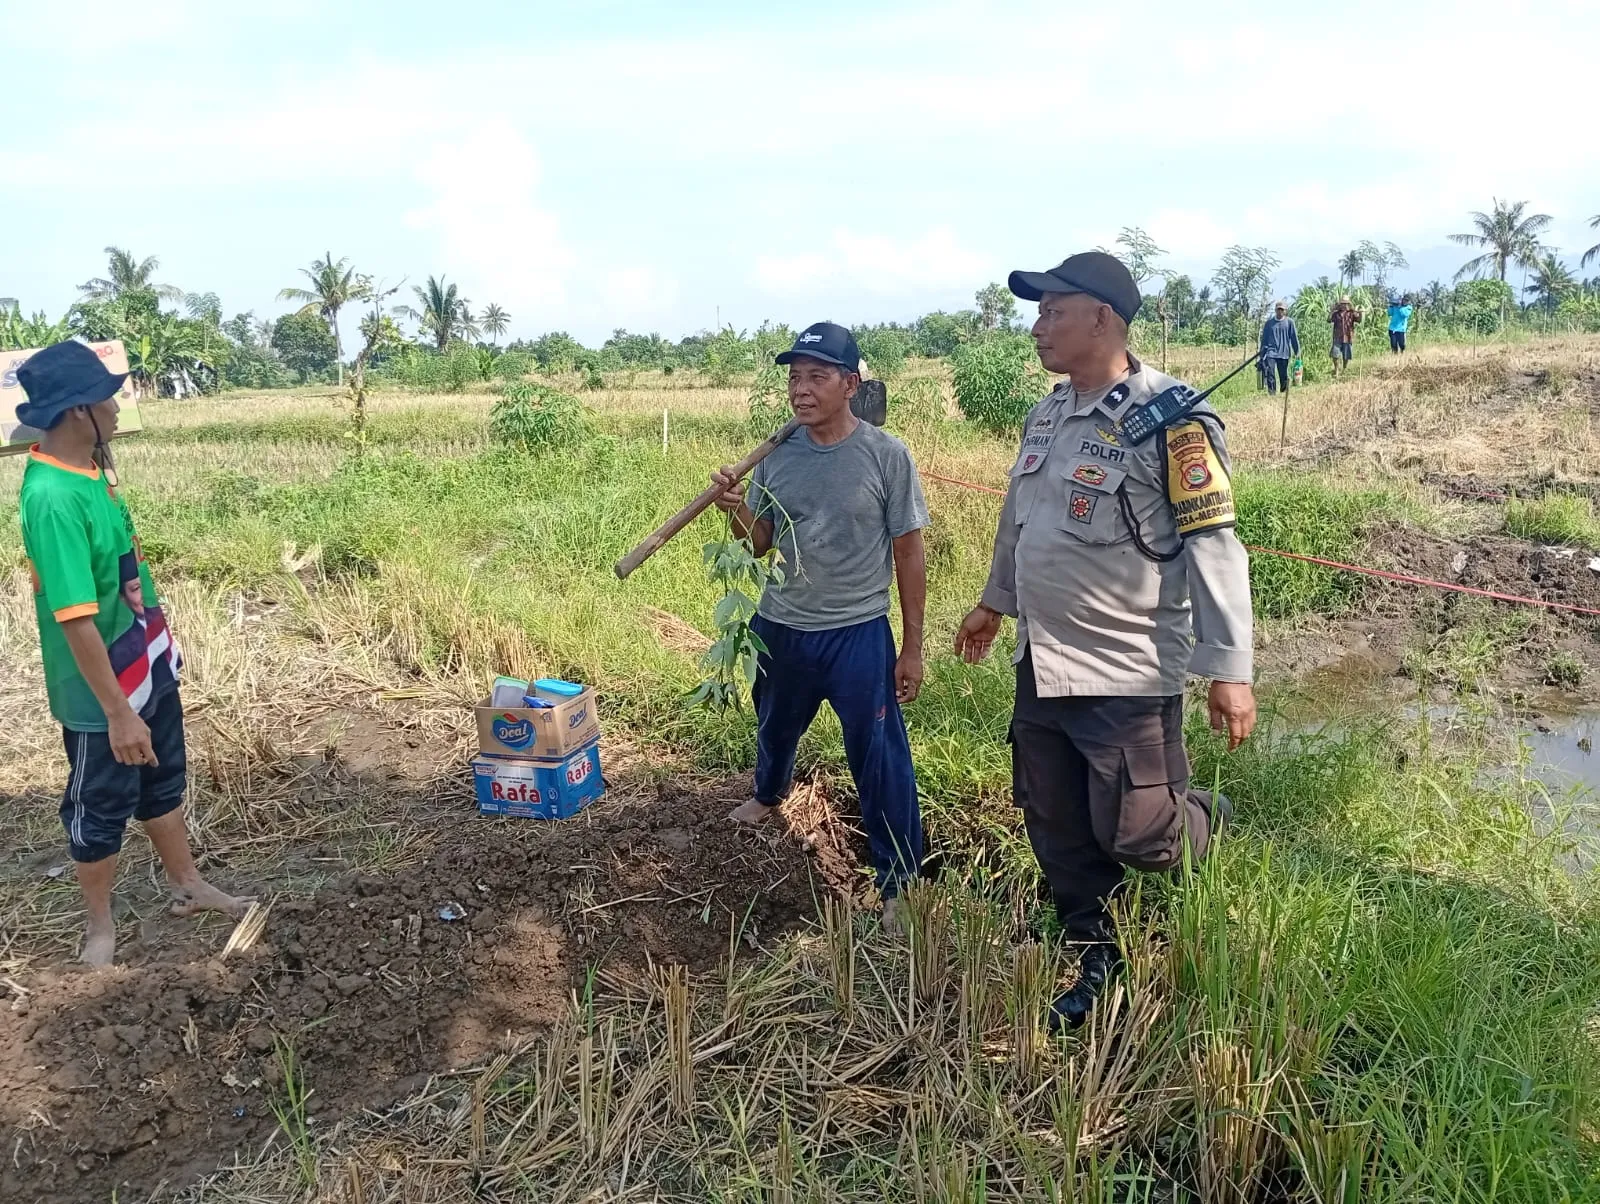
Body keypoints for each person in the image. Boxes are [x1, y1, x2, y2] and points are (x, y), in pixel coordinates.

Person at [952, 252, 1257, 1030]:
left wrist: (1229, 669)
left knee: (1140, 832)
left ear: (1103, 320)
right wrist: (995, 603)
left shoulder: (1173, 419)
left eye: (1053, 310)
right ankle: (1095, 943)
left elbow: (1214, 545)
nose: (1038, 326)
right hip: (1043, 660)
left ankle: (1202, 819)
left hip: (1127, 667)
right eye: (1038, 311)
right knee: (1052, 816)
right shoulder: (1048, 414)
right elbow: (1020, 522)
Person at [15, 339, 252, 966]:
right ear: (76, 411)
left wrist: (159, 654)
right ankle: (99, 927)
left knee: (161, 780)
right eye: (109, 396)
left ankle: (188, 884)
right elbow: (75, 618)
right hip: (101, 691)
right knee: (100, 804)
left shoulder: (91, 471)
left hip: (140, 667)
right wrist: (118, 712)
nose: (120, 405)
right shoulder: (52, 498)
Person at [710, 322, 928, 926]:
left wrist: (911, 647)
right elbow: (760, 546)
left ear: (850, 384)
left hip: (857, 631)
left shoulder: (886, 456)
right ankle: (768, 793)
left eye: (816, 377)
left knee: (880, 754)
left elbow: (909, 554)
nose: (800, 390)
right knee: (774, 726)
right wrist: (738, 509)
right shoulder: (778, 458)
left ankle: (898, 877)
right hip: (781, 624)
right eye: (794, 378)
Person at [1258, 301, 1300, 394]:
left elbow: (1294, 338)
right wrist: (1262, 354)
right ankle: (1272, 393)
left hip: (1284, 353)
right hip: (1271, 352)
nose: (1280, 311)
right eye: (1278, 309)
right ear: (1275, 310)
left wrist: (1297, 351)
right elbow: (1264, 339)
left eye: (1282, 310)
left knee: (1283, 374)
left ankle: (1283, 391)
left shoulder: (1289, 322)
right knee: (1270, 373)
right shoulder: (1269, 323)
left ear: (1285, 311)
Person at [1329, 296, 1361, 376]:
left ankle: (1344, 369)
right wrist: (1331, 311)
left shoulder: (1352, 313)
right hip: (1337, 337)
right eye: (1342, 304)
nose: (1344, 305)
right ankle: (1336, 370)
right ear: (1340, 305)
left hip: (1348, 337)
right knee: (1335, 354)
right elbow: (1329, 320)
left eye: (1346, 304)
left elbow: (1359, 320)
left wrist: (1359, 313)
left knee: (1346, 356)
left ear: (1348, 304)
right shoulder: (1336, 314)